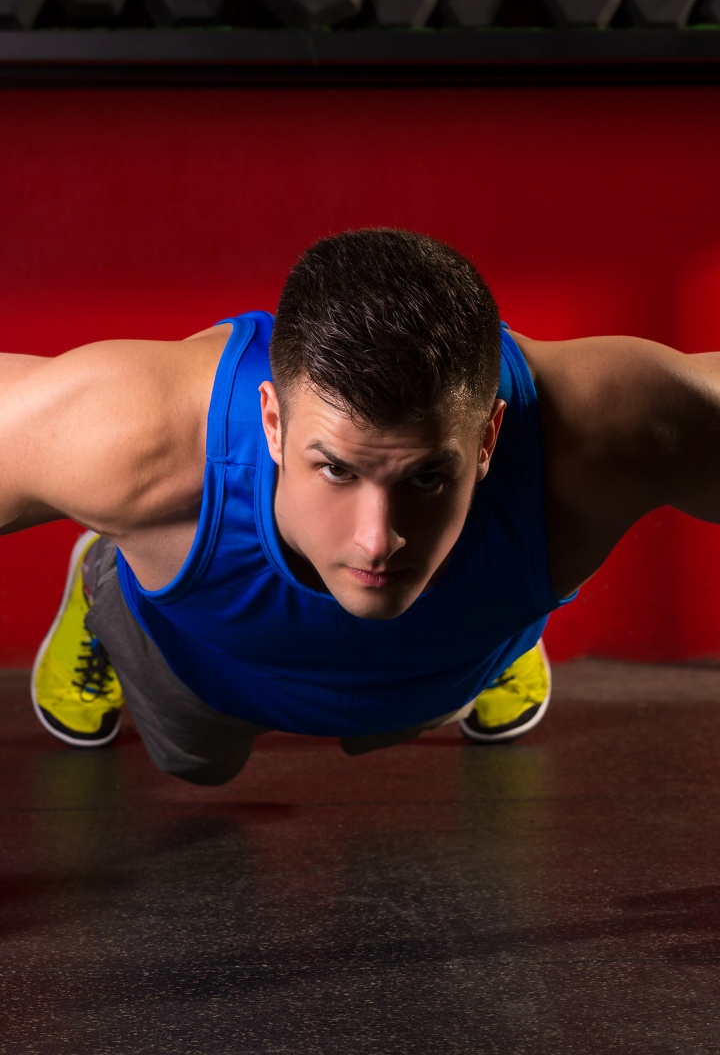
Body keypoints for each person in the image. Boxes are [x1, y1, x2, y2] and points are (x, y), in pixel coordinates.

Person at [3, 228, 717, 784]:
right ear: (274, 426)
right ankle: (103, 573)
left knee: (428, 692)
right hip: (201, 664)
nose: (379, 540)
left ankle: (503, 639)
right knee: (199, 764)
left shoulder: (607, 435)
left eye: (428, 479)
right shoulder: (131, 437)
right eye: (338, 471)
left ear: (490, 434)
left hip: (441, 668)